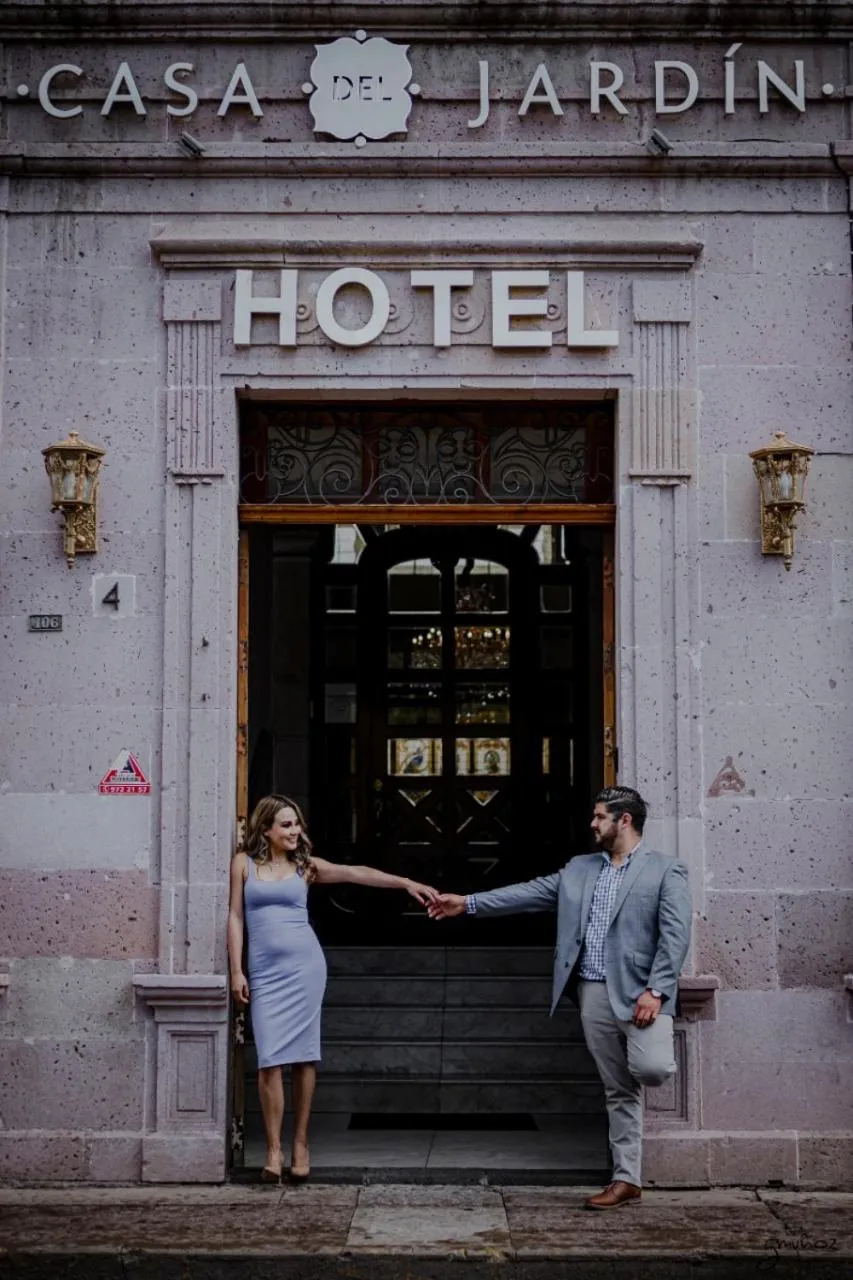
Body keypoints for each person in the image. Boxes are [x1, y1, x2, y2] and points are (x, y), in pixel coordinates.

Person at [428, 786, 691, 1209]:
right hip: (593, 993)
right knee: (616, 1088)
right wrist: (469, 904)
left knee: (653, 1067)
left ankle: (631, 1155)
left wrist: (657, 991)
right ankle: (627, 1179)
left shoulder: (666, 870)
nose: (593, 824)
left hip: (642, 995)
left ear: (624, 820)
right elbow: (527, 893)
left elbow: (675, 937)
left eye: (600, 817)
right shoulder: (579, 869)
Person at [228, 793, 439, 1184]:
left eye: (297, 825)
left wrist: (406, 882)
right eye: (286, 825)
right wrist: (236, 971)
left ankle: (300, 1144)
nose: (295, 832)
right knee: (269, 1060)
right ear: (267, 829)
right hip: (265, 973)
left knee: (304, 1057)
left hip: (305, 969)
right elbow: (235, 917)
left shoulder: (305, 867)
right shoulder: (244, 865)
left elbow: (357, 872)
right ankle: (273, 1148)